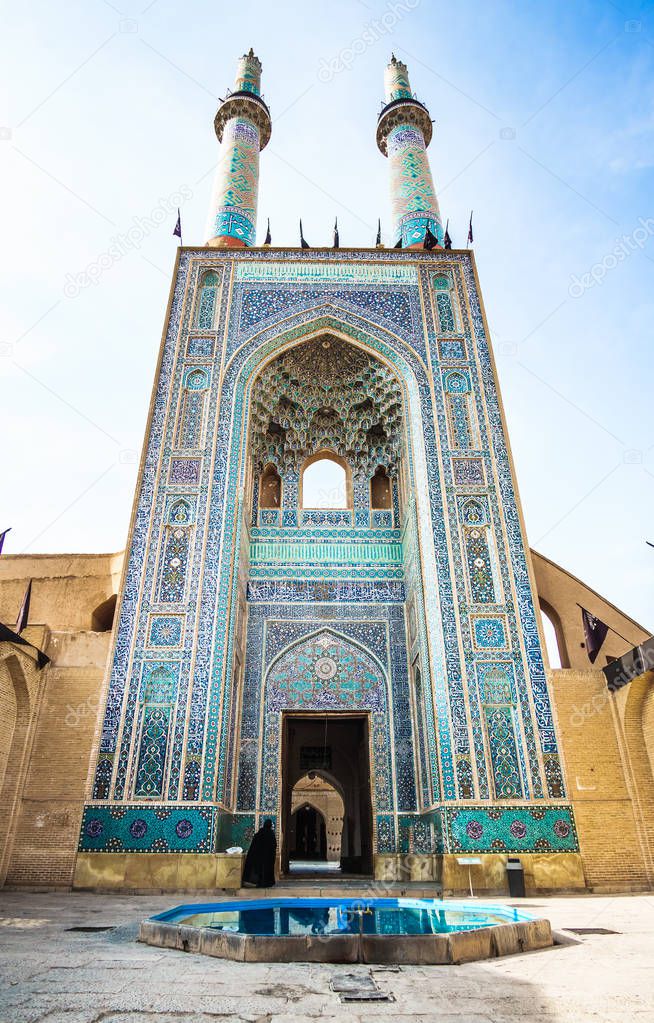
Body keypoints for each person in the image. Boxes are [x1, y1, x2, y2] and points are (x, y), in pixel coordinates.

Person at [242, 818, 276, 888]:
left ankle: (259, 882)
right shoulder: (271, 834)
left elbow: (254, 846)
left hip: (259, 857)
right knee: (267, 870)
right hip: (269, 857)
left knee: (260, 870)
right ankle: (267, 883)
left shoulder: (259, 834)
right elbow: (274, 846)